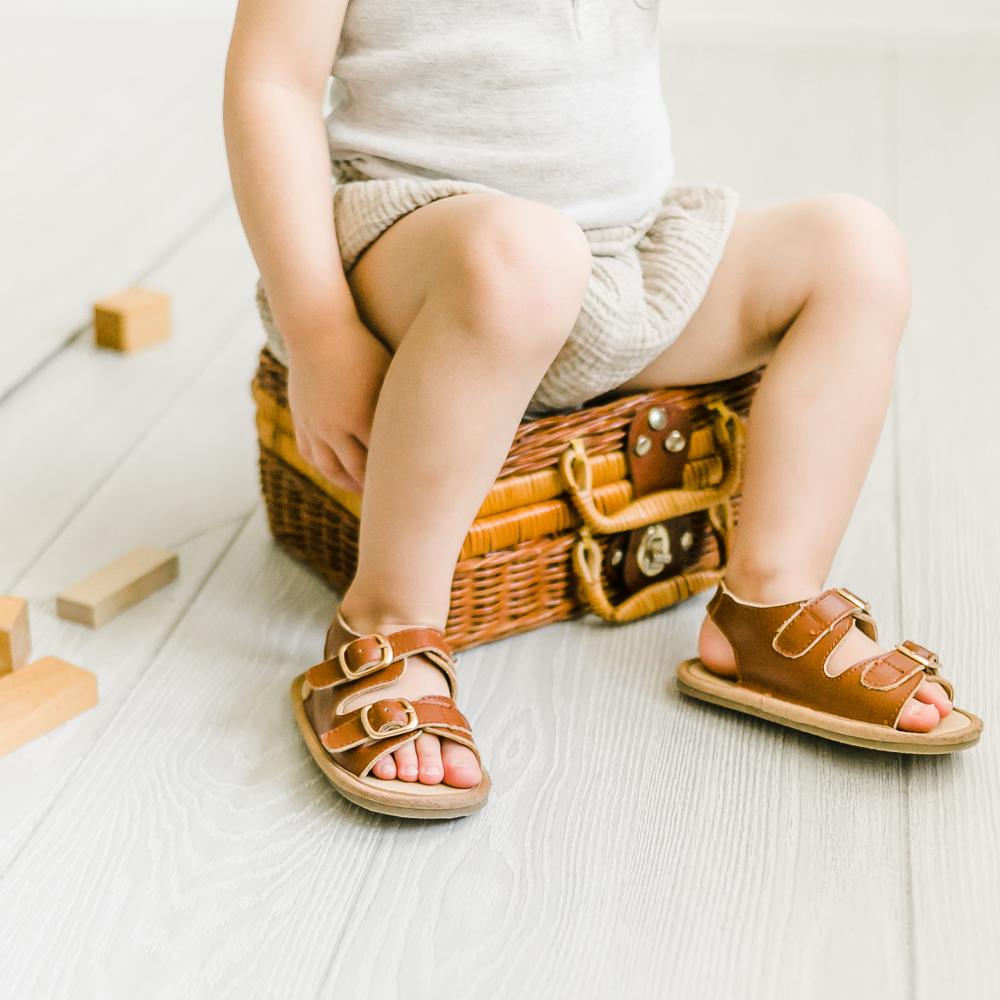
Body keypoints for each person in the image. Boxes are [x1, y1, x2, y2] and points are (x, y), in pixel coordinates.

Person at [223, 0, 981, 819]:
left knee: (855, 251)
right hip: (419, 257)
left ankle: (768, 602)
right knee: (527, 258)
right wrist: (321, 331)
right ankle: (385, 619)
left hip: (619, 260)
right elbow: (272, 84)